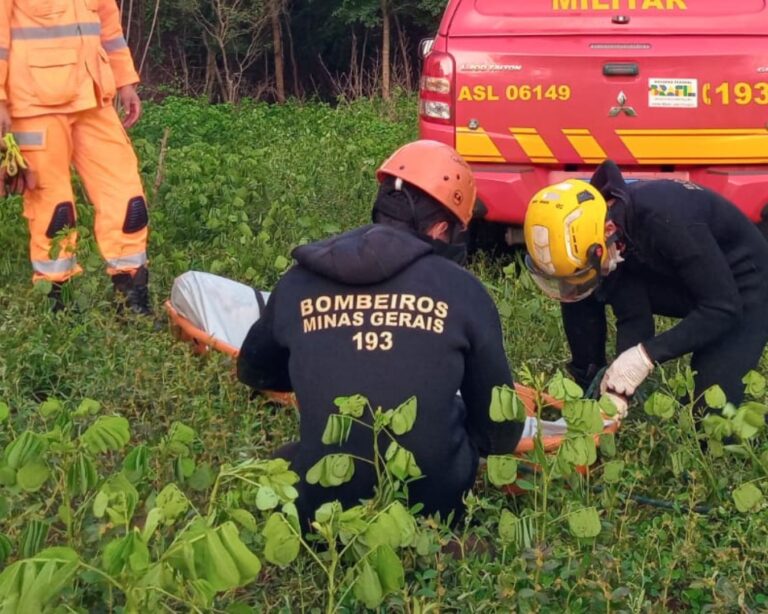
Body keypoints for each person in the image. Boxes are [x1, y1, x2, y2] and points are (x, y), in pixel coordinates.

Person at [237, 140, 523, 526]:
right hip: (436, 507)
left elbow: (255, 372)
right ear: (441, 228)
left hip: (322, 511)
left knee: (282, 460)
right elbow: (500, 432)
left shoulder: (300, 279)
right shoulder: (463, 291)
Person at [523, 159, 768, 416]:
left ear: (608, 230)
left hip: (743, 289)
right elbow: (632, 309)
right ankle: (588, 385)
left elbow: (722, 307)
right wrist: (618, 385)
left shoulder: (667, 220)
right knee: (580, 286)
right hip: (681, 278)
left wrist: (645, 357)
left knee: (708, 413)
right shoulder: (610, 228)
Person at [0, 0, 152, 314]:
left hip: (94, 99)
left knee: (129, 200)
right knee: (54, 208)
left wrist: (125, 81)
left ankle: (131, 296)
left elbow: (109, 28)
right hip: (35, 105)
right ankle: (56, 298)